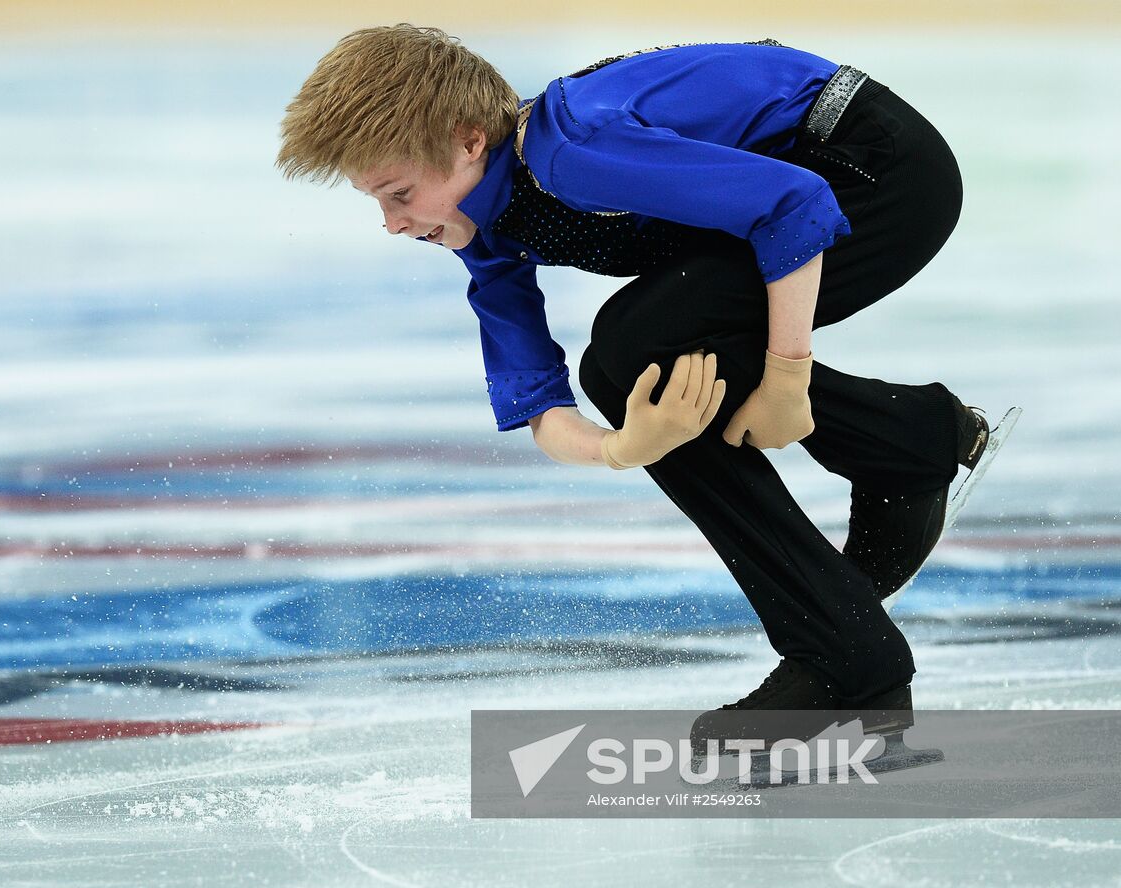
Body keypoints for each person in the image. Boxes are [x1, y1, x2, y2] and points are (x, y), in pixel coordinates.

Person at [276, 25, 991, 746]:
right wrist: (623, 447)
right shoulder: (485, 231)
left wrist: (786, 378)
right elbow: (541, 404)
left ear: (468, 142)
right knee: (627, 370)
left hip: (877, 172)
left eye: (399, 194)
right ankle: (904, 451)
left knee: (636, 347)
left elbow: (793, 205)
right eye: (379, 202)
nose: (394, 224)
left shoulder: (570, 151)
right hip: (797, 194)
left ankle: (848, 654)